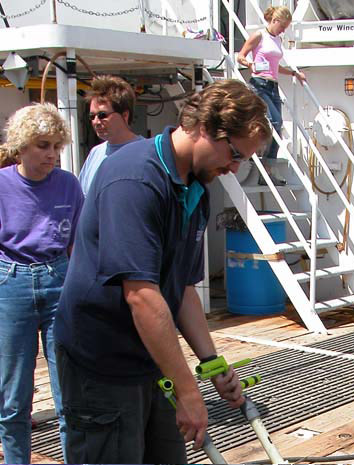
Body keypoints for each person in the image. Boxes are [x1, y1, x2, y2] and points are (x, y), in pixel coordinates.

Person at [54, 79, 272, 463]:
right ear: (205, 128)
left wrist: (211, 363)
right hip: (101, 362)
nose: (234, 169)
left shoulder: (195, 188)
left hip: (150, 358)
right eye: (235, 154)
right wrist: (189, 392)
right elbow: (141, 295)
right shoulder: (135, 179)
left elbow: (182, 286)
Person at [0, 103, 84, 464]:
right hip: (11, 283)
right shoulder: (2, 185)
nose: (51, 154)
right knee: (12, 395)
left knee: (68, 392)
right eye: (42, 145)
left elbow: (79, 241)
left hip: (58, 279)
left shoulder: (68, 184)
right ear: (21, 145)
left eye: (56, 146)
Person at [237, 5, 306, 185]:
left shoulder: (277, 40)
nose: (283, 30)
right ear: (274, 21)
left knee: (279, 124)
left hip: (273, 86)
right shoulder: (259, 36)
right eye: (282, 26)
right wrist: (250, 64)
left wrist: (293, 73)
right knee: (273, 121)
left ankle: (266, 171)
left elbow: (276, 66)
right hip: (259, 84)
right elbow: (241, 56)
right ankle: (255, 153)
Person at [78, 74, 142, 196]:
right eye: (92, 116)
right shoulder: (95, 154)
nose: (96, 122)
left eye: (102, 115)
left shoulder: (147, 153)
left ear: (125, 115)